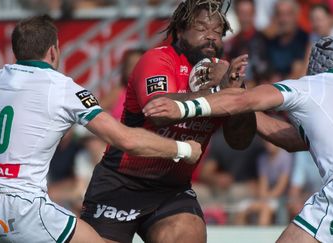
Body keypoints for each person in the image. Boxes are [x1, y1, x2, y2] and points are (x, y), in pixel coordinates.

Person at [144, 36, 333, 242]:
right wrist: (245, 104)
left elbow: (244, 101)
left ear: (314, 61)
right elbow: (292, 140)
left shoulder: (310, 86)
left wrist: (185, 107)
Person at [0, 15, 201, 243]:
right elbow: (125, 139)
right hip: (23, 207)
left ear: (16, 51)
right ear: (53, 51)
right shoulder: (61, 87)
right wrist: (184, 149)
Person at [80, 1, 256, 242]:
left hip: (171, 190)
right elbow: (159, 111)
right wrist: (219, 95)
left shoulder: (223, 74)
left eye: (217, 31)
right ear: (181, 30)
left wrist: (239, 94)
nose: (211, 37)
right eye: (202, 28)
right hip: (121, 182)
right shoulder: (158, 60)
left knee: (188, 234)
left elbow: (240, 140)